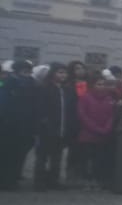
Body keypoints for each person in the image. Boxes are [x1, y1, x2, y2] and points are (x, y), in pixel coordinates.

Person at [34, 63, 76, 190]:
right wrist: (44, 122)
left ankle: (53, 180)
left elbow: (71, 109)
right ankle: (39, 182)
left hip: (62, 129)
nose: (63, 75)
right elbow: (39, 108)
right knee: (42, 156)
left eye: (65, 72)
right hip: (47, 129)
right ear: (53, 74)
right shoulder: (45, 88)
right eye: (60, 72)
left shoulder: (68, 90)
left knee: (57, 157)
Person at [0, 60, 39, 190]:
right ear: (17, 71)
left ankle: (14, 176)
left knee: (20, 152)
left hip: (26, 124)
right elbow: (5, 102)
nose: (27, 74)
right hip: (10, 124)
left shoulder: (31, 82)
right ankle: (6, 180)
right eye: (24, 71)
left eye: (29, 71)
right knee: (8, 153)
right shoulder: (9, 82)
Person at [74, 76, 119, 186]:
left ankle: (98, 179)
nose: (102, 87)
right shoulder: (85, 97)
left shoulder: (110, 99)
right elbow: (82, 116)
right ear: (92, 85)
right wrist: (97, 128)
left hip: (103, 135)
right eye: (99, 84)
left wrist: (106, 128)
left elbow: (112, 115)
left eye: (103, 84)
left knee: (99, 159)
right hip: (88, 135)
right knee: (87, 159)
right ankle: (86, 180)